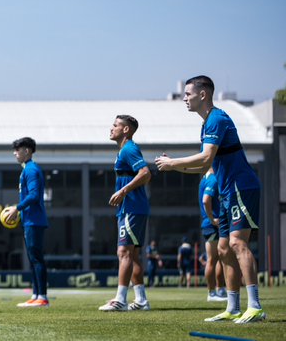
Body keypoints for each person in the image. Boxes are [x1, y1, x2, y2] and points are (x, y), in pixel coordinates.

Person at [155, 75, 264, 323]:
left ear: (202, 94)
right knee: (223, 248)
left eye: (188, 94)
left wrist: (173, 162)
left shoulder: (216, 118)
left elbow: (204, 158)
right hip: (227, 190)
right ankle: (233, 306)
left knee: (238, 244)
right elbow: (205, 167)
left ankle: (255, 306)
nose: (184, 98)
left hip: (241, 187)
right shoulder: (206, 124)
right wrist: (173, 167)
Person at [99, 115, 152, 312]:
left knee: (124, 252)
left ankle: (120, 299)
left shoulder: (129, 149)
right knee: (133, 255)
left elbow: (145, 173)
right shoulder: (124, 150)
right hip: (130, 207)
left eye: (115, 125)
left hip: (132, 207)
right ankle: (141, 300)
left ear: (126, 130)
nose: (111, 128)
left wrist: (123, 191)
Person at [4, 137, 49, 308]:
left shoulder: (31, 170)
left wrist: (17, 208)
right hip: (29, 220)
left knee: (37, 258)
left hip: (34, 221)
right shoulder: (27, 169)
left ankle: (42, 297)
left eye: (18, 149)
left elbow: (34, 195)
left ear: (27, 151)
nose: (15, 153)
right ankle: (36, 295)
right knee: (33, 259)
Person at [198, 167, 227, 302]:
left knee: (220, 258)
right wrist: (212, 219)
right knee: (213, 259)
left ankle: (220, 290)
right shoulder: (213, 179)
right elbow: (205, 200)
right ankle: (212, 293)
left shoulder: (204, 179)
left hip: (212, 224)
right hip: (212, 225)